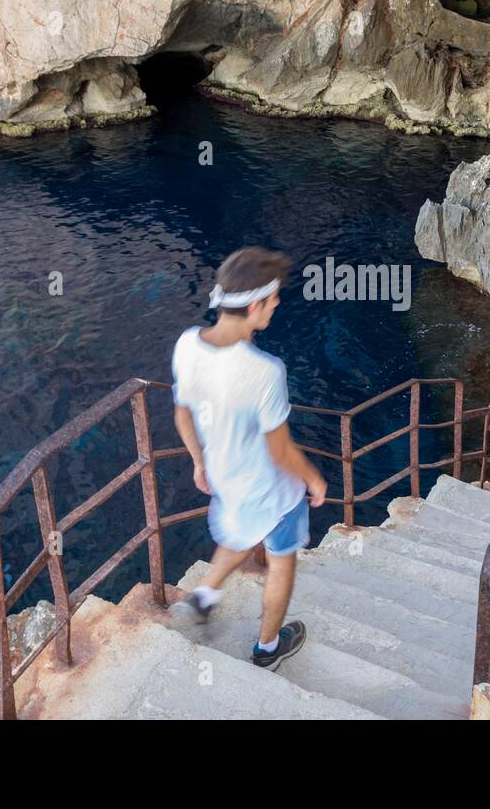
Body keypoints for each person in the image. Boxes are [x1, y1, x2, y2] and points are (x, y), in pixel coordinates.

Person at [169, 247, 327, 669]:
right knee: (281, 563)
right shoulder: (265, 371)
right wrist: (313, 479)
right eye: (274, 300)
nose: (276, 306)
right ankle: (268, 649)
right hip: (272, 489)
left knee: (238, 532)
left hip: (225, 477)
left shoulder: (187, 344)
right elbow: (280, 451)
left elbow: (182, 410)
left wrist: (198, 461)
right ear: (255, 304)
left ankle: (202, 599)